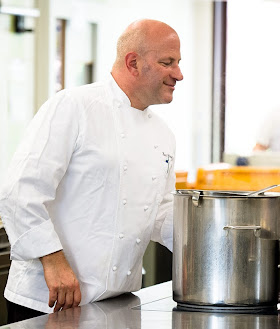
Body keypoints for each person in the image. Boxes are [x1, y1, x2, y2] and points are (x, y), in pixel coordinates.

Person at [0, 19, 183, 322]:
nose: (178, 74)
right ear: (133, 62)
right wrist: (53, 260)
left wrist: (213, 247)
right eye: (168, 62)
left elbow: (160, 212)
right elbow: (20, 191)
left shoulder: (164, 134)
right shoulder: (74, 106)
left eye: (178, 63)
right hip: (49, 301)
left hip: (117, 302)